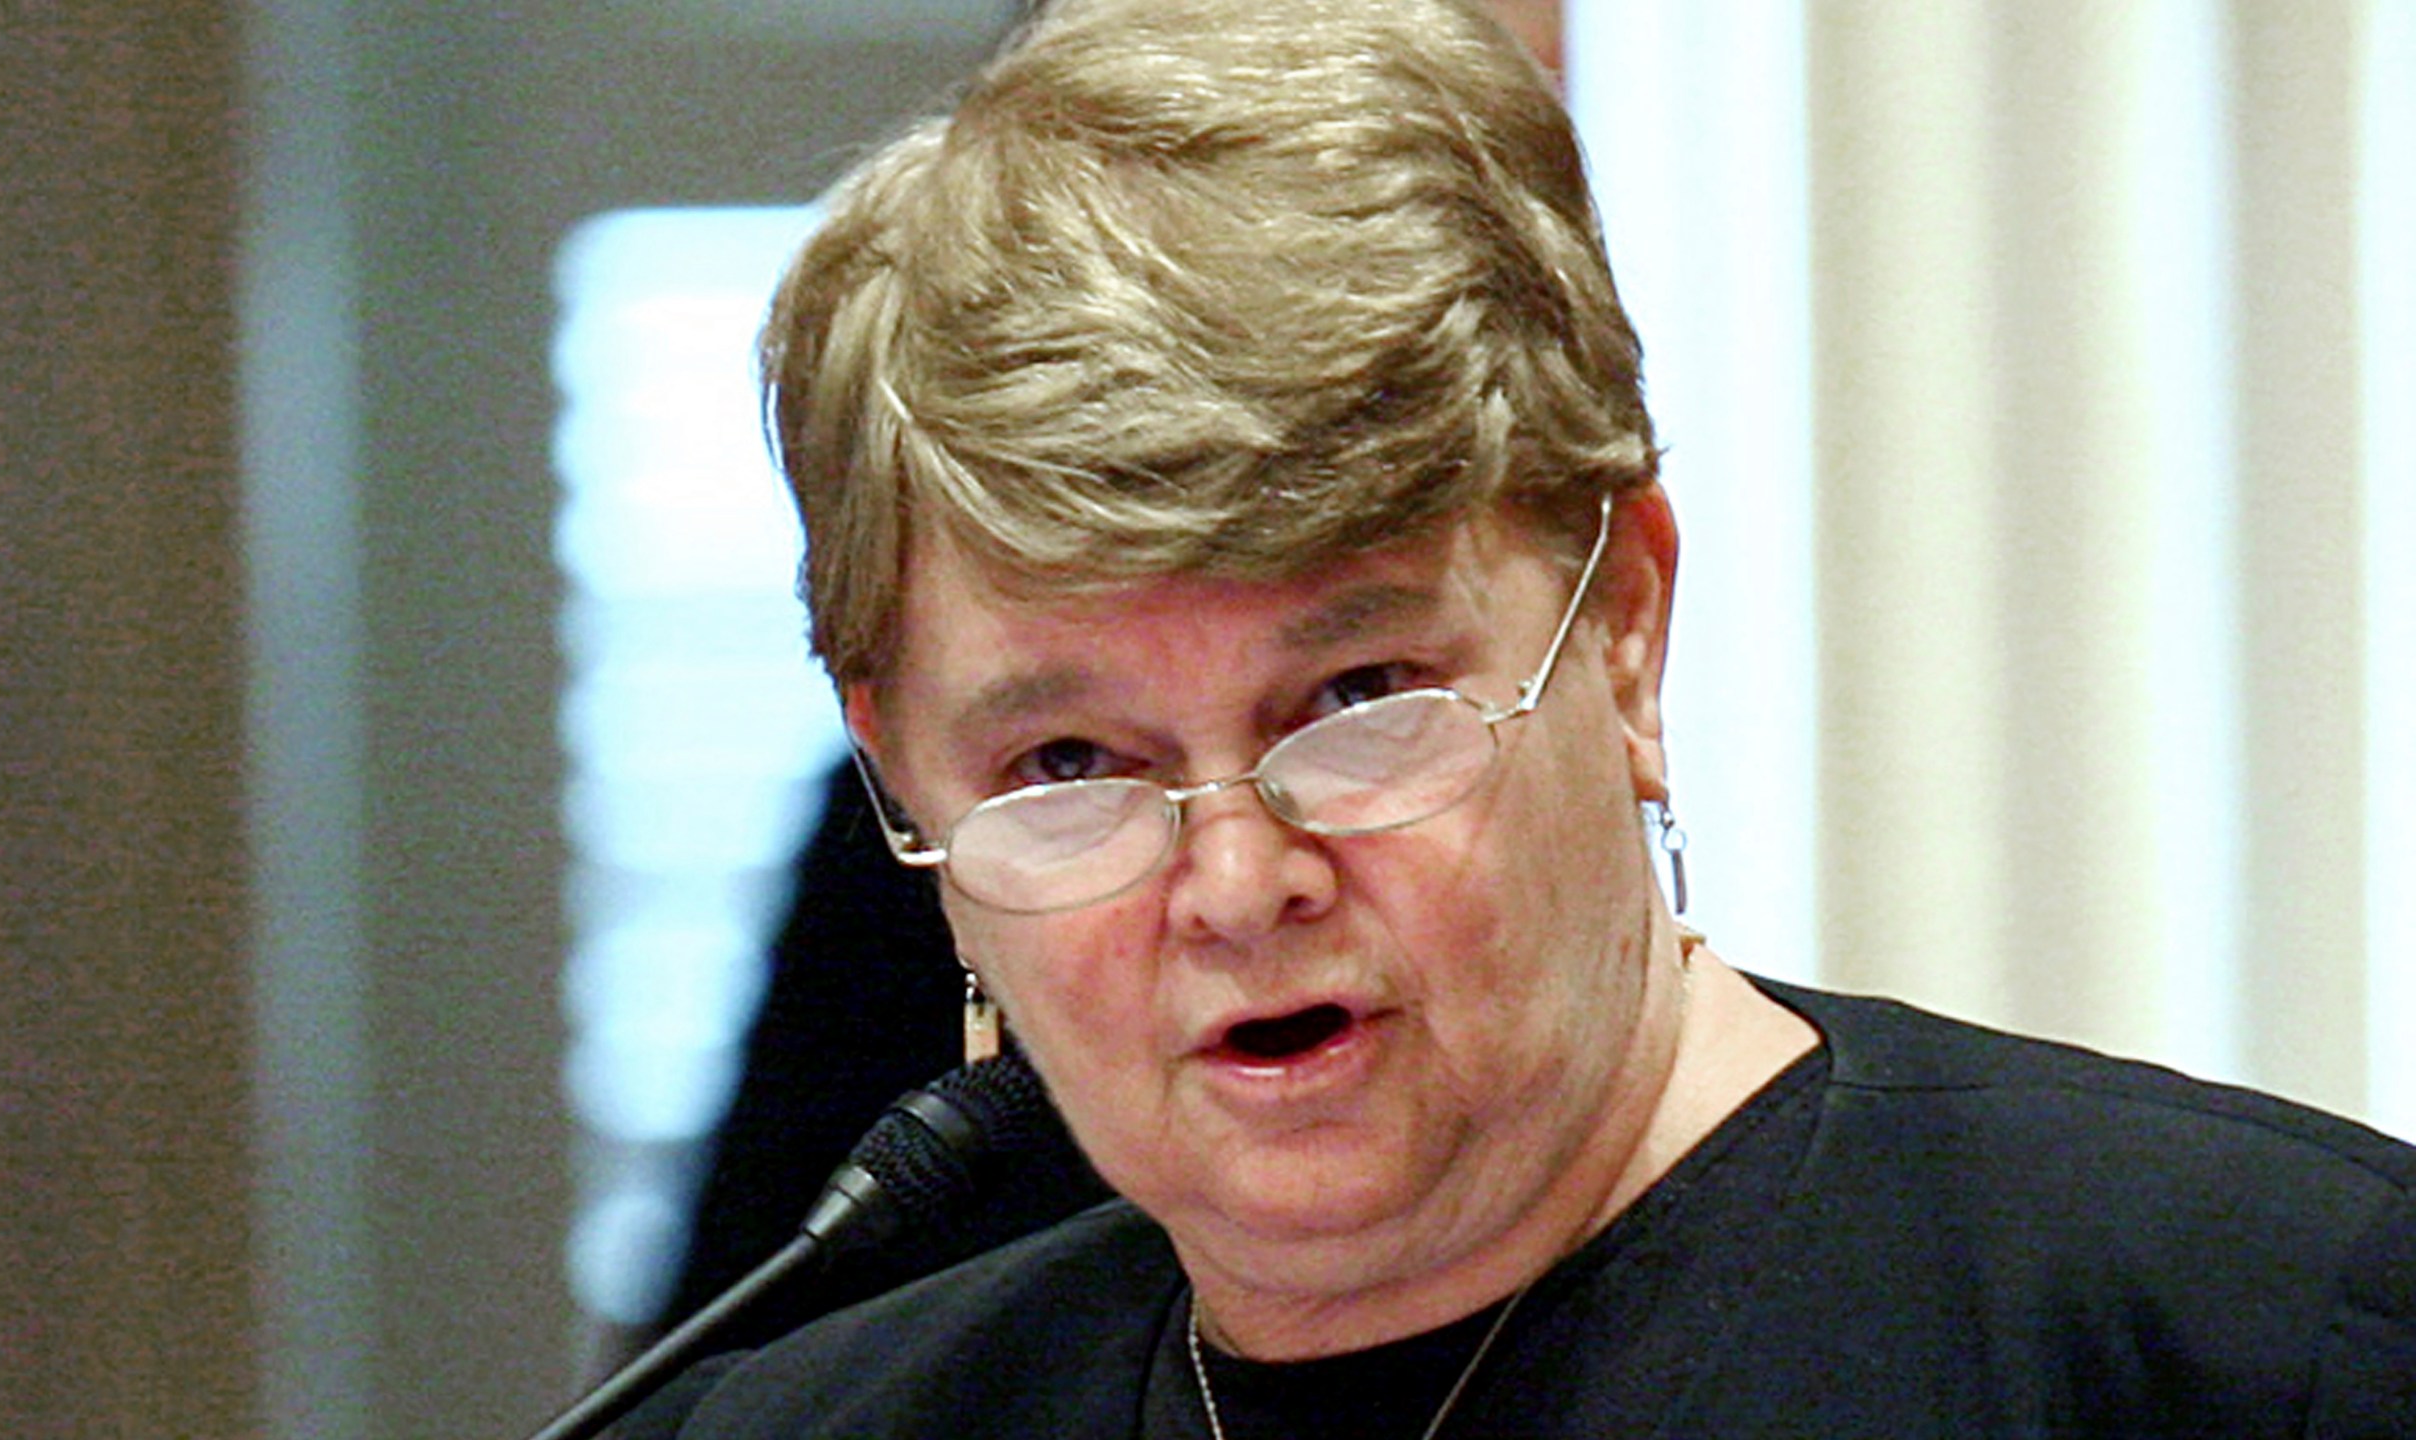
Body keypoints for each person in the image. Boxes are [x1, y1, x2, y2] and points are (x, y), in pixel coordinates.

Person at [624, 0, 2416, 1433]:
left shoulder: (2276, 1343)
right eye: (1068, 764)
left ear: (1623, 630)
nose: (1239, 884)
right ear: (905, 790)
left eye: (1357, 697)